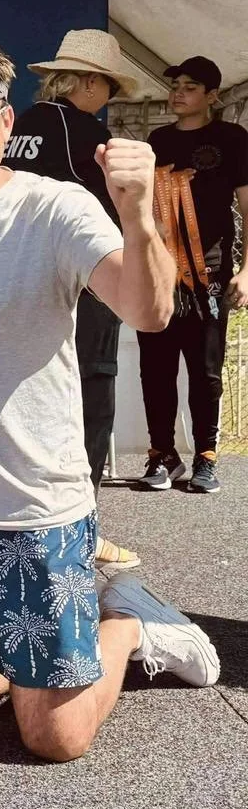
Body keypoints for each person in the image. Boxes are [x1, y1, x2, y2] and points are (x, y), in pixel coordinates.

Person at [0, 31, 220, 763]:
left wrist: (138, 212)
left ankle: (129, 623)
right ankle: (15, 664)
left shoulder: (55, 207)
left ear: (5, 120)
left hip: (37, 515)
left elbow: (149, 310)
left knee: (53, 738)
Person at [11, 28, 142, 569]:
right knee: (91, 393)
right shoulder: (85, 132)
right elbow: (113, 210)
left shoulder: (19, 123)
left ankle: (32, 525)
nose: (108, 97)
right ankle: (83, 531)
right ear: (88, 82)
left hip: (17, 283)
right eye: (108, 86)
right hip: (83, 282)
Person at [137, 56, 248, 495]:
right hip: (160, 272)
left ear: (212, 96)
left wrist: (247, 270)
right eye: (175, 85)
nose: (178, 93)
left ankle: (206, 455)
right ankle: (162, 454)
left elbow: (247, 207)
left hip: (210, 273)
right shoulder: (158, 140)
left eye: (190, 87)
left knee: (206, 370)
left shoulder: (232, 139)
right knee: (156, 367)